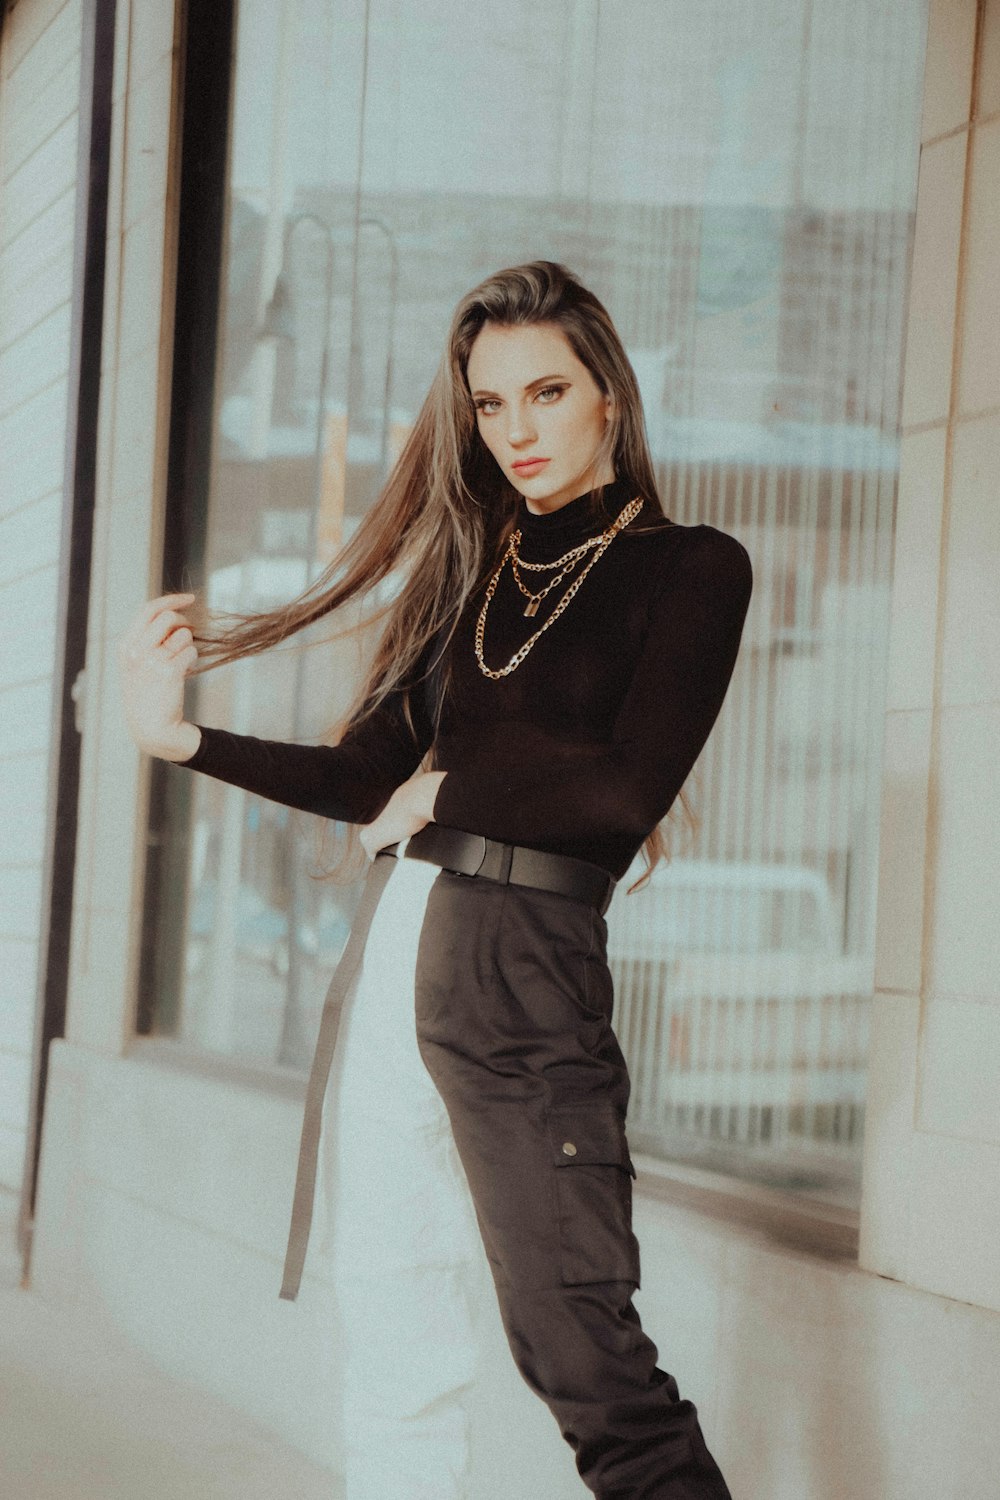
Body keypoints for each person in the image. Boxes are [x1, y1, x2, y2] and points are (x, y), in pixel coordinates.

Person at [120, 260, 752, 1500]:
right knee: (392, 1316)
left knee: (580, 1346)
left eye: (546, 392)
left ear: (608, 397)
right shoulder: (467, 576)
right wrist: (180, 741)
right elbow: (367, 778)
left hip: (525, 964)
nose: (515, 428)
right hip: (399, 942)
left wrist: (445, 791)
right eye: (488, 403)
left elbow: (625, 793)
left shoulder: (689, 568)